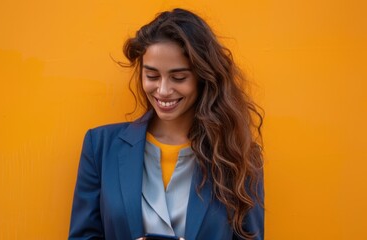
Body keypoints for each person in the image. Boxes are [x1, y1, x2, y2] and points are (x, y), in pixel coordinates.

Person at [69, 8, 264, 240]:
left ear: (203, 77)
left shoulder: (238, 155)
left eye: (178, 77)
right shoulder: (100, 147)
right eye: (151, 76)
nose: (163, 90)